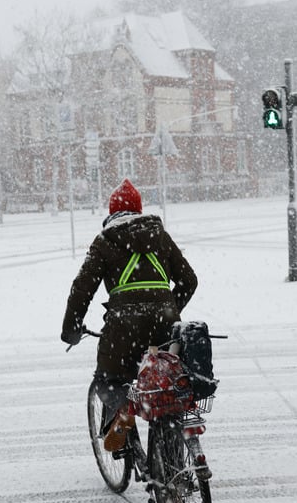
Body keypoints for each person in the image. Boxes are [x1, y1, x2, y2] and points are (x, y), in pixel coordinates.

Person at [61, 178, 198, 451]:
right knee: (166, 384)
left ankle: (125, 408)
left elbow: (82, 289)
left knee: (108, 380)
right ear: (139, 210)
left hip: (122, 329)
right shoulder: (159, 236)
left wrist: (72, 329)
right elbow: (189, 280)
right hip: (164, 326)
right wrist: (169, 310)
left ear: (112, 213)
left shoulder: (105, 240)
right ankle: (171, 458)